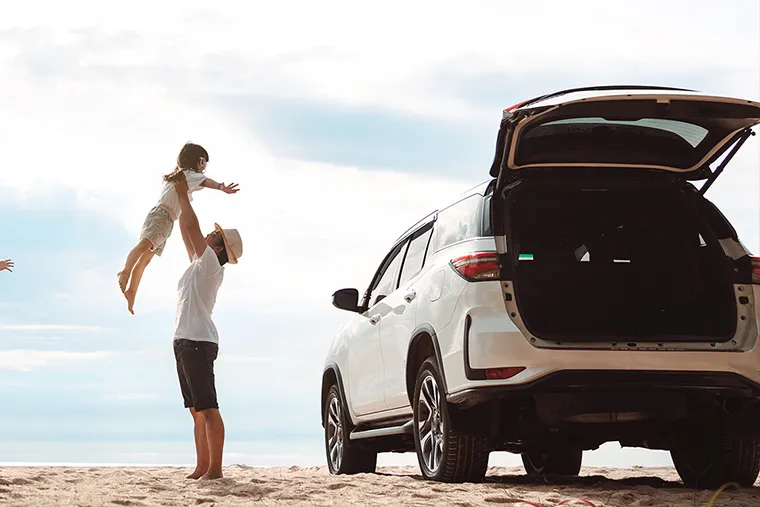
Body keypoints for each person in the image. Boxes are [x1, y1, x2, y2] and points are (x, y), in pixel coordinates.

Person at [171, 171, 242, 481]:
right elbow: (186, 232)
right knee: (196, 411)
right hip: (184, 341)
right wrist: (180, 193)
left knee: (209, 408)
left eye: (215, 235)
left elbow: (190, 226)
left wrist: (184, 193)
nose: (211, 234)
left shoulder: (212, 265)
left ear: (219, 247)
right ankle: (202, 466)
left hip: (198, 342)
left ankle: (215, 469)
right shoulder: (200, 265)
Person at [117, 142, 240, 314]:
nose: (204, 168)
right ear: (199, 161)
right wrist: (221, 187)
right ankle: (125, 271)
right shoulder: (188, 174)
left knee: (146, 257)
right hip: (162, 216)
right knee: (144, 247)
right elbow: (206, 181)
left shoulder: (179, 175)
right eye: (204, 162)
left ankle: (132, 291)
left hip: (167, 220)